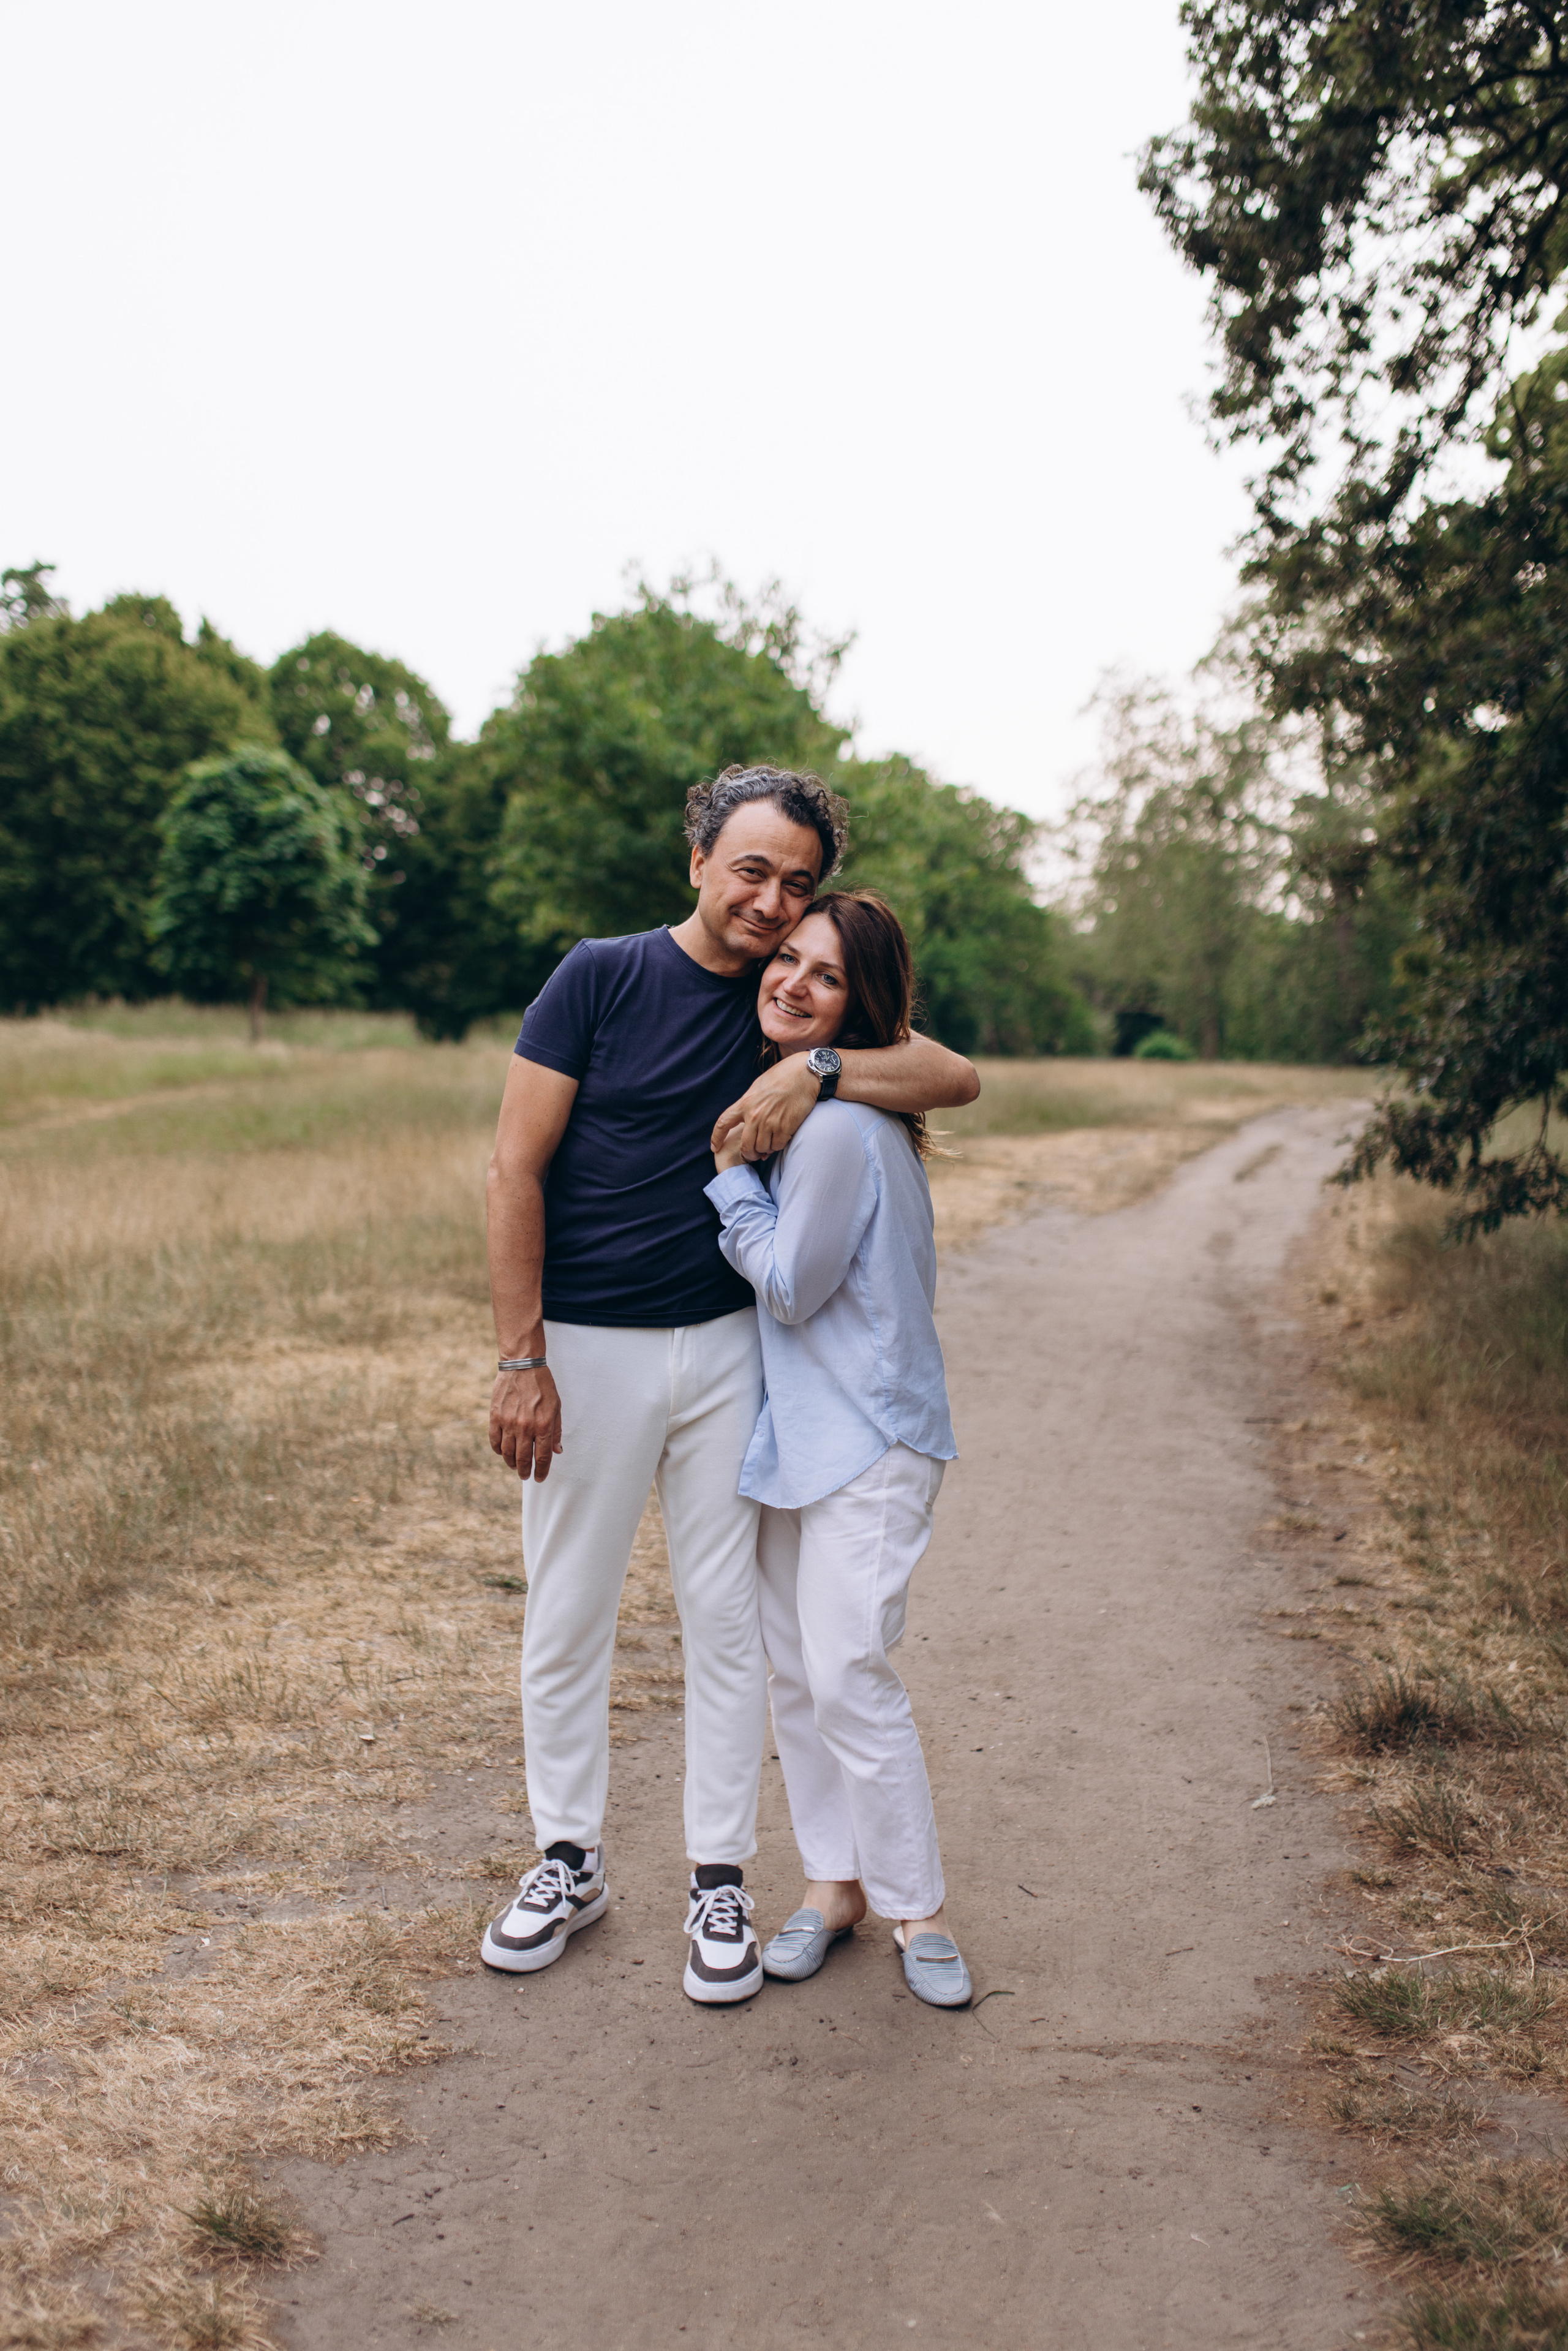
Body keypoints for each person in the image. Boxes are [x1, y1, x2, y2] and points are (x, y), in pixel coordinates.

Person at [479, 766, 979, 2002]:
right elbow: (512, 1168)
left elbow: (952, 1076)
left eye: (796, 882)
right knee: (568, 1610)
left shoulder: (789, 1013)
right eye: (751, 869)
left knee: (729, 1624)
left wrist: (812, 1074)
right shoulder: (598, 974)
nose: (771, 903)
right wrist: (521, 1355)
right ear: (694, 858)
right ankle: (566, 1858)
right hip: (586, 1344)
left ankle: (719, 1876)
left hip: (726, 1347)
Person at [704, 889, 971, 2007]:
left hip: (868, 1439)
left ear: (861, 1009)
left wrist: (726, 1181)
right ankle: (833, 1886)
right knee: (798, 1676)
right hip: (800, 1440)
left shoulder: (842, 1127)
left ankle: (919, 1908)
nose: (793, 983)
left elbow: (792, 1285)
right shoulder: (832, 1111)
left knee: (850, 1671)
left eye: (826, 975)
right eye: (788, 962)